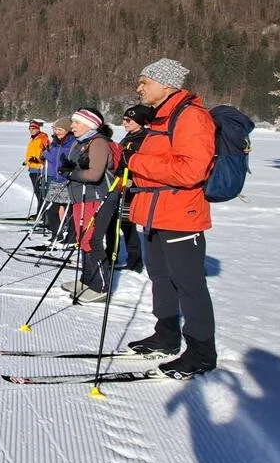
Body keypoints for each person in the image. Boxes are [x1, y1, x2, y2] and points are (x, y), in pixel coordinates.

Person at [124, 58, 219, 379]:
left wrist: (136, 162)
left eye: (144, 82)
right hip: (154, 213)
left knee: (189, 285)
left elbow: (192, 170)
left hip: (181, 215)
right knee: (161, 278)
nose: (139, 88)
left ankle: (201, 353)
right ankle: (166, 336)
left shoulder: (191, 117)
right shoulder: (161, 118)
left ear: (166, 85)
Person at [58, 108, 118, 303]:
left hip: (98, 197)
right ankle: (87, 280)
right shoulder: (80, 142)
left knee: (92, 240)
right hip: (81, 197)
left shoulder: (98, 142)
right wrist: (69, 167)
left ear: (89, 124)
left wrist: (71, 173)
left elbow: (94, 174)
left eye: (76, 122)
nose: (72, 126)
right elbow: (79, 167)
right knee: (83, 240)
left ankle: (100, 286)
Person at [115, 104, 156, 273]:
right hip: (120, 184)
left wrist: (133, 178)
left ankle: (135, 261)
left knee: (127, 224)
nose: (124, 123)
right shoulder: (128, 136)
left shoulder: (146, 138)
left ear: (139, 121)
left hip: (133, 187)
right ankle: (115, 255)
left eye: (128, 120)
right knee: (117, 223)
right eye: (124, 119)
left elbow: (146, 163)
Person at [41, 117, 76, 243]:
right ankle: (57, 234)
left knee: (70, 210)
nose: (57, 132)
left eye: (60, 129)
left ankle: (72, 238)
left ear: (68, 130)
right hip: (56, 180)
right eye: (56, 129)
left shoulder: (73, 143)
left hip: (68, 181)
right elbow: (54, 160)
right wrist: (45, 154)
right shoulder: (55, 142)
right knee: (51, 210)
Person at [23, 120, 50, 212]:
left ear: (38, 129)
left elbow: (47, 151)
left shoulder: (42, 138)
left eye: (33, 128)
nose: (31, 130)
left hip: (39, 169)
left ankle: (42, 213)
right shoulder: (32, 139)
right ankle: (40, 212)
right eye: (30, 128)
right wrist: (26, 161)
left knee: (40, 192)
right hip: (32, 168)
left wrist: (38, 159)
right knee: (37, 191)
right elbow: (32, 152)